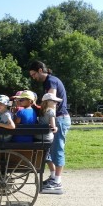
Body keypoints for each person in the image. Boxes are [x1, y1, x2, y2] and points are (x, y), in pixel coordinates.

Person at [29, 61, 70, 194]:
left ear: (40, 70)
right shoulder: (49, 81)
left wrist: (40, 111)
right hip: (56, 118)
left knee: (57, 149)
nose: (33, 77)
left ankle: (57, 182)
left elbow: (51, 103)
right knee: (51, 150)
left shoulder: (51, 81)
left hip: (59, 118)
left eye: (34, 74)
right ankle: (53, 177)